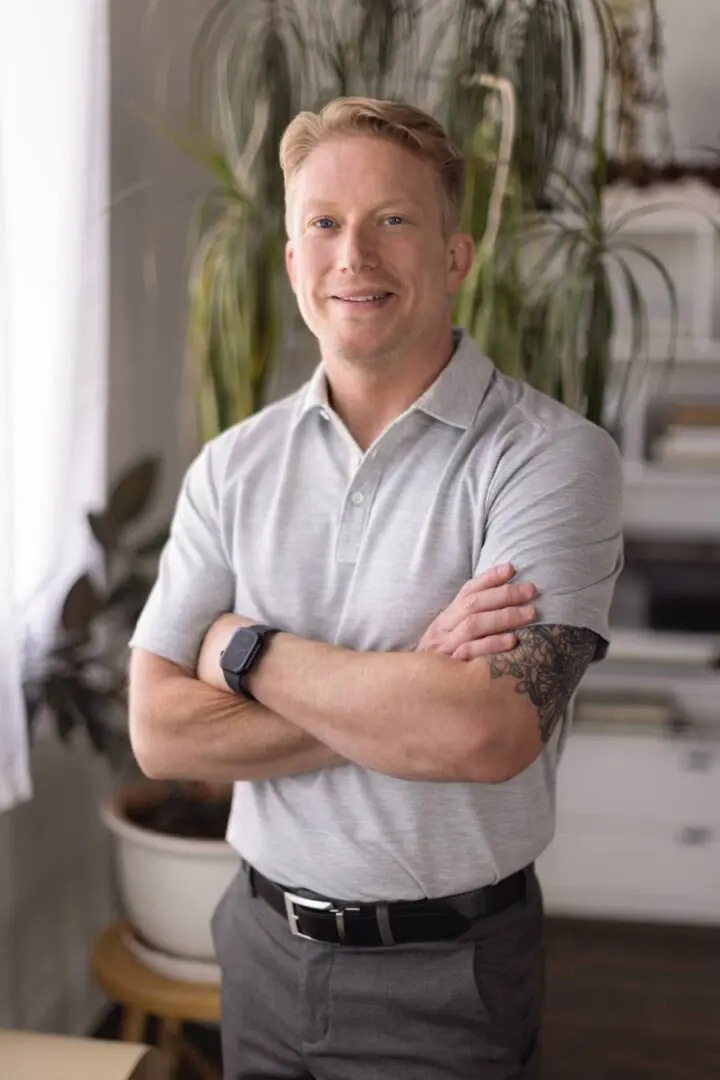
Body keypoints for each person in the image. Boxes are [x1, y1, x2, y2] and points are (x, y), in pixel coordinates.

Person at [128, 97, 623, 1079]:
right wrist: (407, 683)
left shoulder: (552, 460)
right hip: (261, 949)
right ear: (291, 261)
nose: (353, 255)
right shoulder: (231, 468)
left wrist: (243, 650)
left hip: (448, 974)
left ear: (454, 256)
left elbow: (485, 734)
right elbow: (160, 733)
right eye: (324, 223)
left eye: (393, 220)